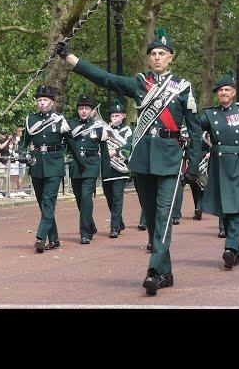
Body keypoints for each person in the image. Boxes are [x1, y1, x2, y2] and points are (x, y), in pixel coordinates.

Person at [56, 27, 202, 295]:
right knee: (151, 216)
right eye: (153, 54)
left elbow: (194, 128)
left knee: (163, 216)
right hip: (143, 158)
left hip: (170, 159)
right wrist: (71, 59)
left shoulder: (182, 88)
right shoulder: (139, 84)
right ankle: (166, 271)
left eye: (162, 54)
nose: (157, 58)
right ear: (149, 59)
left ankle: (154, 272)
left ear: (171, 57)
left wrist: (193, 164)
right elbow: (106, 79)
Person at [199, 73, 239, 268]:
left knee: (237, 207)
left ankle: (230, 247)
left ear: (234, 92)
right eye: (220, 90)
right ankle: (236, 251)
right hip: (218, 165)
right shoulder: (210, 114)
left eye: (227, 90)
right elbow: (195, 127)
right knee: (224, 209)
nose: (223, 93)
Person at [21, 84, 84, 253]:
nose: (41, 103)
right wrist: (21, 154)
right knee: (43, 205)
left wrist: (80, 163)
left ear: (51, 102)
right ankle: (54, 239)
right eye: (39, 100)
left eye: (45, 100)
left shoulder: (59, 120)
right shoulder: (30, 119)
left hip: (55, 165)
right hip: (36, 165)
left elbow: (71, 143)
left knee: (48, 202)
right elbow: (24, 143)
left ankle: (41, 237)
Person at [67, 94, 107, 244]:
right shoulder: (71, 125)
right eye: (81, 108)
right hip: (76, 165)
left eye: (86, 108)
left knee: (86, 198)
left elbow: (103, 149)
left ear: (91, 110)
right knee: (79, 199)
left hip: (91, 164)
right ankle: (91, 226)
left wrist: (105, 170)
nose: (83, 111)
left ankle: (84, 233)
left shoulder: (98, 127)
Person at [101, 99, 132, 238]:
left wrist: (116, 150)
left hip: (121, 168)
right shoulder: (105, 130)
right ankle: (119, 222)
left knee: (117, 198)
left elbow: (129, 145)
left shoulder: (127, 130)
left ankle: (114, 228)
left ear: (123, 116)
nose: (114, 118)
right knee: (109, 197)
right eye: (113, 116)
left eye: (117, 116)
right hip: (107, 167)